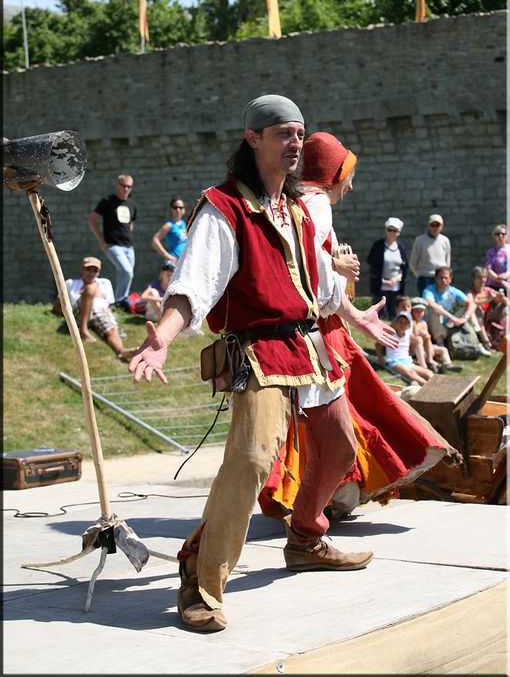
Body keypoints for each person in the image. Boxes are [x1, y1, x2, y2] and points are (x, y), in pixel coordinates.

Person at [129, 97, 456, 633]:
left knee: (340, 448)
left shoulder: (301, 209)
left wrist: (346, 288)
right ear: (253, 138)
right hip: (258, 350)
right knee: (254, 458)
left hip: (311, 349)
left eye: (300, 133)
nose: (295, 142)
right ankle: (201, 577)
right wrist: (162, 338)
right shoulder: (224, 207)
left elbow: (319, 289)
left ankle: (305, 537)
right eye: (284, 133)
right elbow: (194, 287)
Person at [259, 131, 458, 523]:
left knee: (335, 418)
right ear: (333, 173)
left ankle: (331, 498)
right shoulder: (316, 203)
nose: (352, 185)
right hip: (319, 336)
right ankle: (323, 505)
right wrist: (337, 269)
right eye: (348, 174)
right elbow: (311, 272)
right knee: (349, 416)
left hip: (321, 330)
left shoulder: (301, 202)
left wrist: (356, 316)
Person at [52, 256, 138, 362]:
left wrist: (111, 321)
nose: (91, 273)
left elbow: (108, 306)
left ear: (98, 272)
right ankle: (83, 330)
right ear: (82, 270)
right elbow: (56, 306)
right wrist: (69, 316)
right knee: (91, 288)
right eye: (89, 269)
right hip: (78, 310)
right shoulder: (71, 283)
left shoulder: (105, 283)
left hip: (100, 311)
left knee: (111, 329)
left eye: (95, 270)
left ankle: (121, 351)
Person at [87, 174, 137, 303]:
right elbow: (92, 221)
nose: (126, 189)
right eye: (124, 186)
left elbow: (131, 223)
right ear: (117, 185)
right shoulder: (107, 201)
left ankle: (117, 303)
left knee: (124, 275)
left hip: (128, 246)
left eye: (129, 187)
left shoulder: (132, 204)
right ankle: (121, 302)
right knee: (127, 272)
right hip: (112, 245)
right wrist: (101, 242)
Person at [422, 266, 491, 356]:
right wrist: (452, 317)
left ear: (450, 279)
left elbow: (471, 304)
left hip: (449, 324)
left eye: (446, 278)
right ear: (436, 278)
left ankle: (479, 342)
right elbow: (431, 304)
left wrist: (464, 318)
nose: (443, 280)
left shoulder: (453, 291)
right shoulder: (429, 290)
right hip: (433, 325)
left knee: (470, 307)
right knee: (435, 311)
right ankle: (442, 346)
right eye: (441, 277)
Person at [366, 217, 408, 320]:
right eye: (390, 230)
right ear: (386, 230)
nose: (392, 233)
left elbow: (404, 267)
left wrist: (397, 279)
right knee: (380, 315)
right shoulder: (378, 246)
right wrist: (381, 280)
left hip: (395, 286)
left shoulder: (401, 247)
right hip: (381, 286)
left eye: (395, 231)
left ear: (399, 232)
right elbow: (371, 263)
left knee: (394, 314)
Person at [377, 311, 433, 386]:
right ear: (395, 323)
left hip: (407, 361)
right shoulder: (391, 334)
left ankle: (433, 385)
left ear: (409, 326)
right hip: (394, 361)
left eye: (405, 323)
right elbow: (378, 345)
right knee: (411, 373)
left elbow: (417, 341)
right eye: (400, 322)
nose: (402, 325)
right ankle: (428, 386)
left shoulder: (408, 335)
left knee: (429, 373)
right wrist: (380, 357)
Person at [410, 297, 461, 373]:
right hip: (416, 350)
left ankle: (448, 363)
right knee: (424, 353)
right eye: (416, 311)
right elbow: (412, 338)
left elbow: (428, 339)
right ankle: (435, 365)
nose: (419, 314)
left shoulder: (423, 323)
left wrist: (430, 349)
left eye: (421, 311)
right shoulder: (411, 323)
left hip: (426, 348)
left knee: (443, 349)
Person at [409, 214, 451, 295]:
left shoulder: (445, 240)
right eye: (432, 225)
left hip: (441, 278)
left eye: (437, 225)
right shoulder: (419, 240)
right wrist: (419, 275)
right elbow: (413, 262)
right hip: (425, 278)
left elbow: (447, 261)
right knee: (425, 304)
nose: (435, 228)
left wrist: (445, 276)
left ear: (441, 226)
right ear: (429, 226)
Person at [469, 266, 508, 351]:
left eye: (484, 277)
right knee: (477, 310)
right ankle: (486, 342)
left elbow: (508, 303)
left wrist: (502, 298)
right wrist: (489, 299)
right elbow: (472, 303)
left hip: (489, 320)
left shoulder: (488, 290)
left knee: (505, 308)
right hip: (477, 323)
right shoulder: (470, 293)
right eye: (479, 277)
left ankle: (506, 337)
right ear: (473, 279)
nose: (482, 280)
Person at [151, 195, 188, 264]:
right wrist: (168, 256)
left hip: (184, 261)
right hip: (174, 262)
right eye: (175, 207)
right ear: (171, 209)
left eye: (180, 207)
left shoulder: (183, 223)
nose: (178, 210)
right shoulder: (169, 225)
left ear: (184, 209)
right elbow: (154, 240)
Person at [485, 224, 510, 292]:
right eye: (497, 234)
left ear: (507, 235)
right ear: (494, 236)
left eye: (503, 233)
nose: (500, 236)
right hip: (494, 287)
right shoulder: (491, 252)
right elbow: (488, 270)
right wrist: (501, 281)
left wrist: (506, 275)